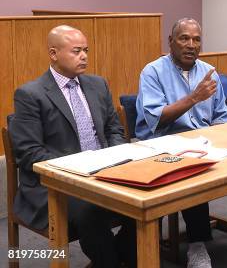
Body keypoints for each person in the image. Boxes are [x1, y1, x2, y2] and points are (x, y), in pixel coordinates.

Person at [135, 18, 227, 268]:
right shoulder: (153, 71)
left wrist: (224, 140)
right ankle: (196, 244)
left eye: (196, 39)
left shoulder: (208, 71)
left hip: (206, 140)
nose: (191, 45)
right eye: (184, 38)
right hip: (166, 144)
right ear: (171, 42)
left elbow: (221, 116)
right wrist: (193, 97)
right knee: (194, 171)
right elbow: (156, 119)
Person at [9, 25, 136, 267]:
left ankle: (118, 260)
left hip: (106, 173)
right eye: (76, 51)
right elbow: (30, 153)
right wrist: (80, 169)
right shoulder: (30, 94)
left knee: (148, 201)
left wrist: (117, 159)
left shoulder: (98, 85)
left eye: (86, 50)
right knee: (91, 211)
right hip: (55, 185)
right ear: (53, 54)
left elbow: (115, 130)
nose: (84, 56)